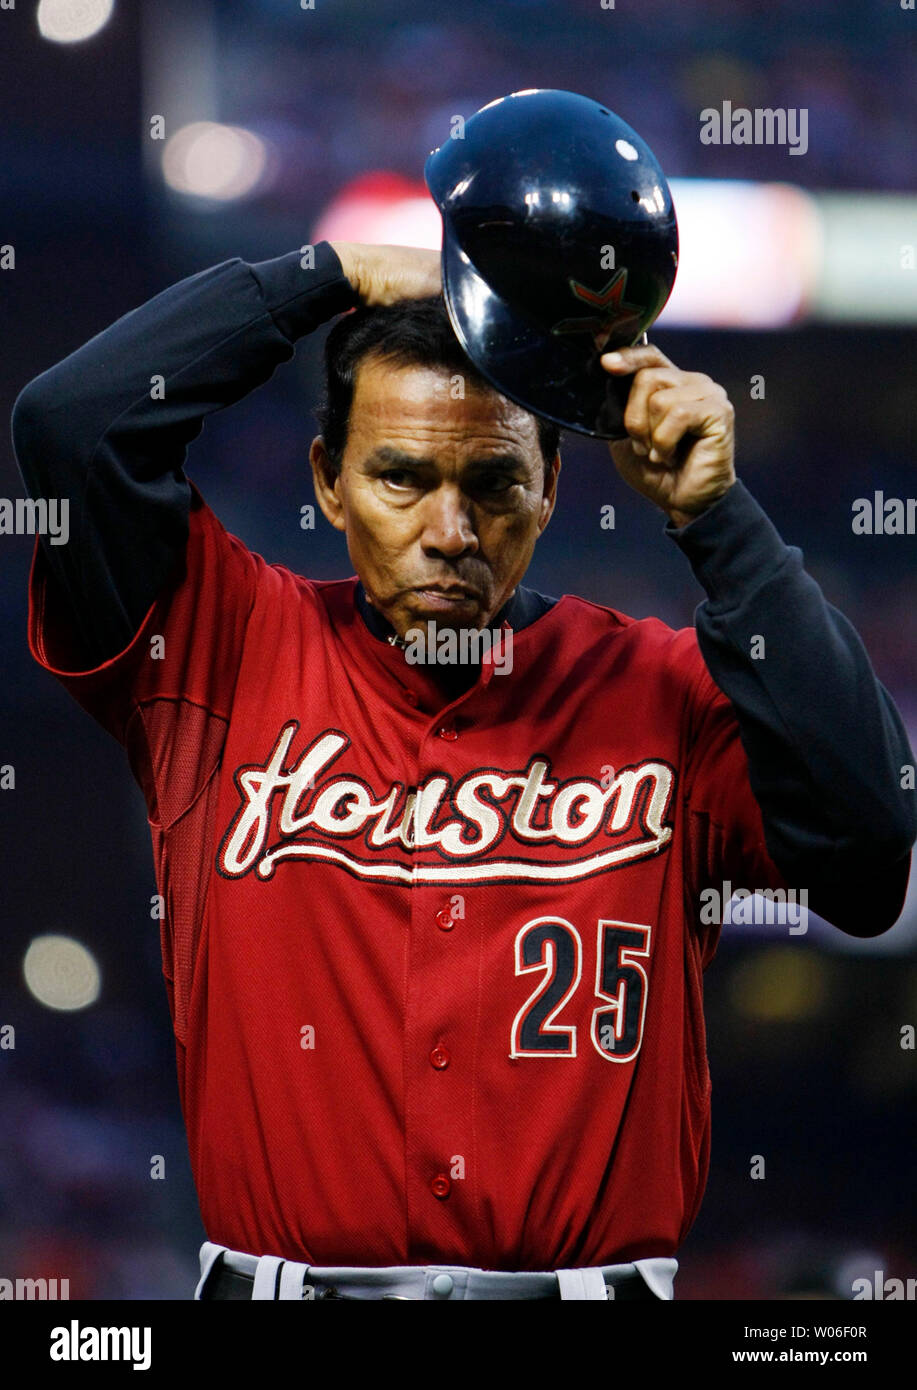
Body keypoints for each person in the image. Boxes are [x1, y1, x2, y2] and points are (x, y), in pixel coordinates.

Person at [12, 240, 915, 1302]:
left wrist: (719, 524)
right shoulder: (223, 642)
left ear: (546, 492)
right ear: (328, 481)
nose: (447, 530)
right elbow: (69, 426)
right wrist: (325, 276)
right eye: (400, 475)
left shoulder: (663, 689)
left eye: (489, 482)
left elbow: (867, 856)